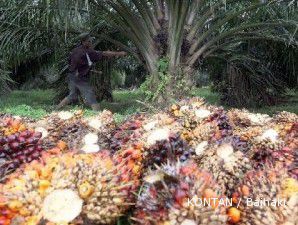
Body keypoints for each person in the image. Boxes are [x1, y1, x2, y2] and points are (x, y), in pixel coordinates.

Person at [57, 33, 127, 111]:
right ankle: (98, 114)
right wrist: (120, 53)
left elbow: (71, 62)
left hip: (72, 75)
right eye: (89, 41)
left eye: (91, 41)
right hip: (79, 78)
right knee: (91, 96)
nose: (91, 43)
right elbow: (104, 53)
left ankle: (56, 109)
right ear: (83, 42)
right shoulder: (88, 52)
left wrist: (83, 68)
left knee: (73, 95)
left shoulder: (76, 50)